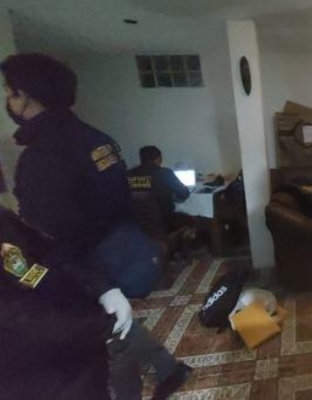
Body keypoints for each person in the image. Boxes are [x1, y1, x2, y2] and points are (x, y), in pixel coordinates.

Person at [1, 53, 191, 400]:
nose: (8, 101)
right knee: (118, 328)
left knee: (108, 339)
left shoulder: (41, 158)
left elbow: (51, 235)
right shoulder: (98, 140)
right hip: (126, 249)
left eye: (11, 93)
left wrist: (88, 282)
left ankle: (159, 376)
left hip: (84, 268)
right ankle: (168, 370)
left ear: (28, 95)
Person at [0, 206, 113, 400]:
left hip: (75, 351)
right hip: (35, 373)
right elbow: (17, 317)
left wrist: (102, 287)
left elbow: (53, 254)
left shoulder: (4, 219)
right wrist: (93, 326)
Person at [128, 145, 191, 232]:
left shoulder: (129, 174)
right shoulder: (165, 173)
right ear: (159, 159)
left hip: (137, 223)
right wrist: (172, 196)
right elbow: (184, 193)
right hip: (164, 220)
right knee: (192, 220)